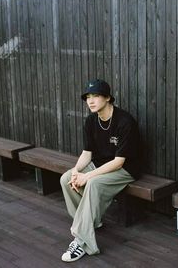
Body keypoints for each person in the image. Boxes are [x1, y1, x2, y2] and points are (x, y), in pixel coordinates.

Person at [60, 79, 140, 262]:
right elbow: (87, 153)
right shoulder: (91, 120)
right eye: (88, 97)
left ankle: (81, 241)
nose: (91, 101)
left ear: (108, 98)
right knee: (66, 179)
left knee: (93, 183)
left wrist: (87, 175)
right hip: (99, 164)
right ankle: (90, 224)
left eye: (96, 96)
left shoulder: (125, 122)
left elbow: (119, 162)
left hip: (125, 169)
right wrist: (76, 170)